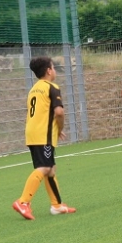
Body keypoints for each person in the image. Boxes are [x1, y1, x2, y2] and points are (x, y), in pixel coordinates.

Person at [12, 56, 76, 220]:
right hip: (43, 134)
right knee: (45, 168)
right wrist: (60, 128)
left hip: (32, 133)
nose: (54, 70)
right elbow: (59, 112)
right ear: (49, 71)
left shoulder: (33, 89)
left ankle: (57, 205)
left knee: (51, 169)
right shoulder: (52, 87)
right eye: (53, 67)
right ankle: (23, 202)